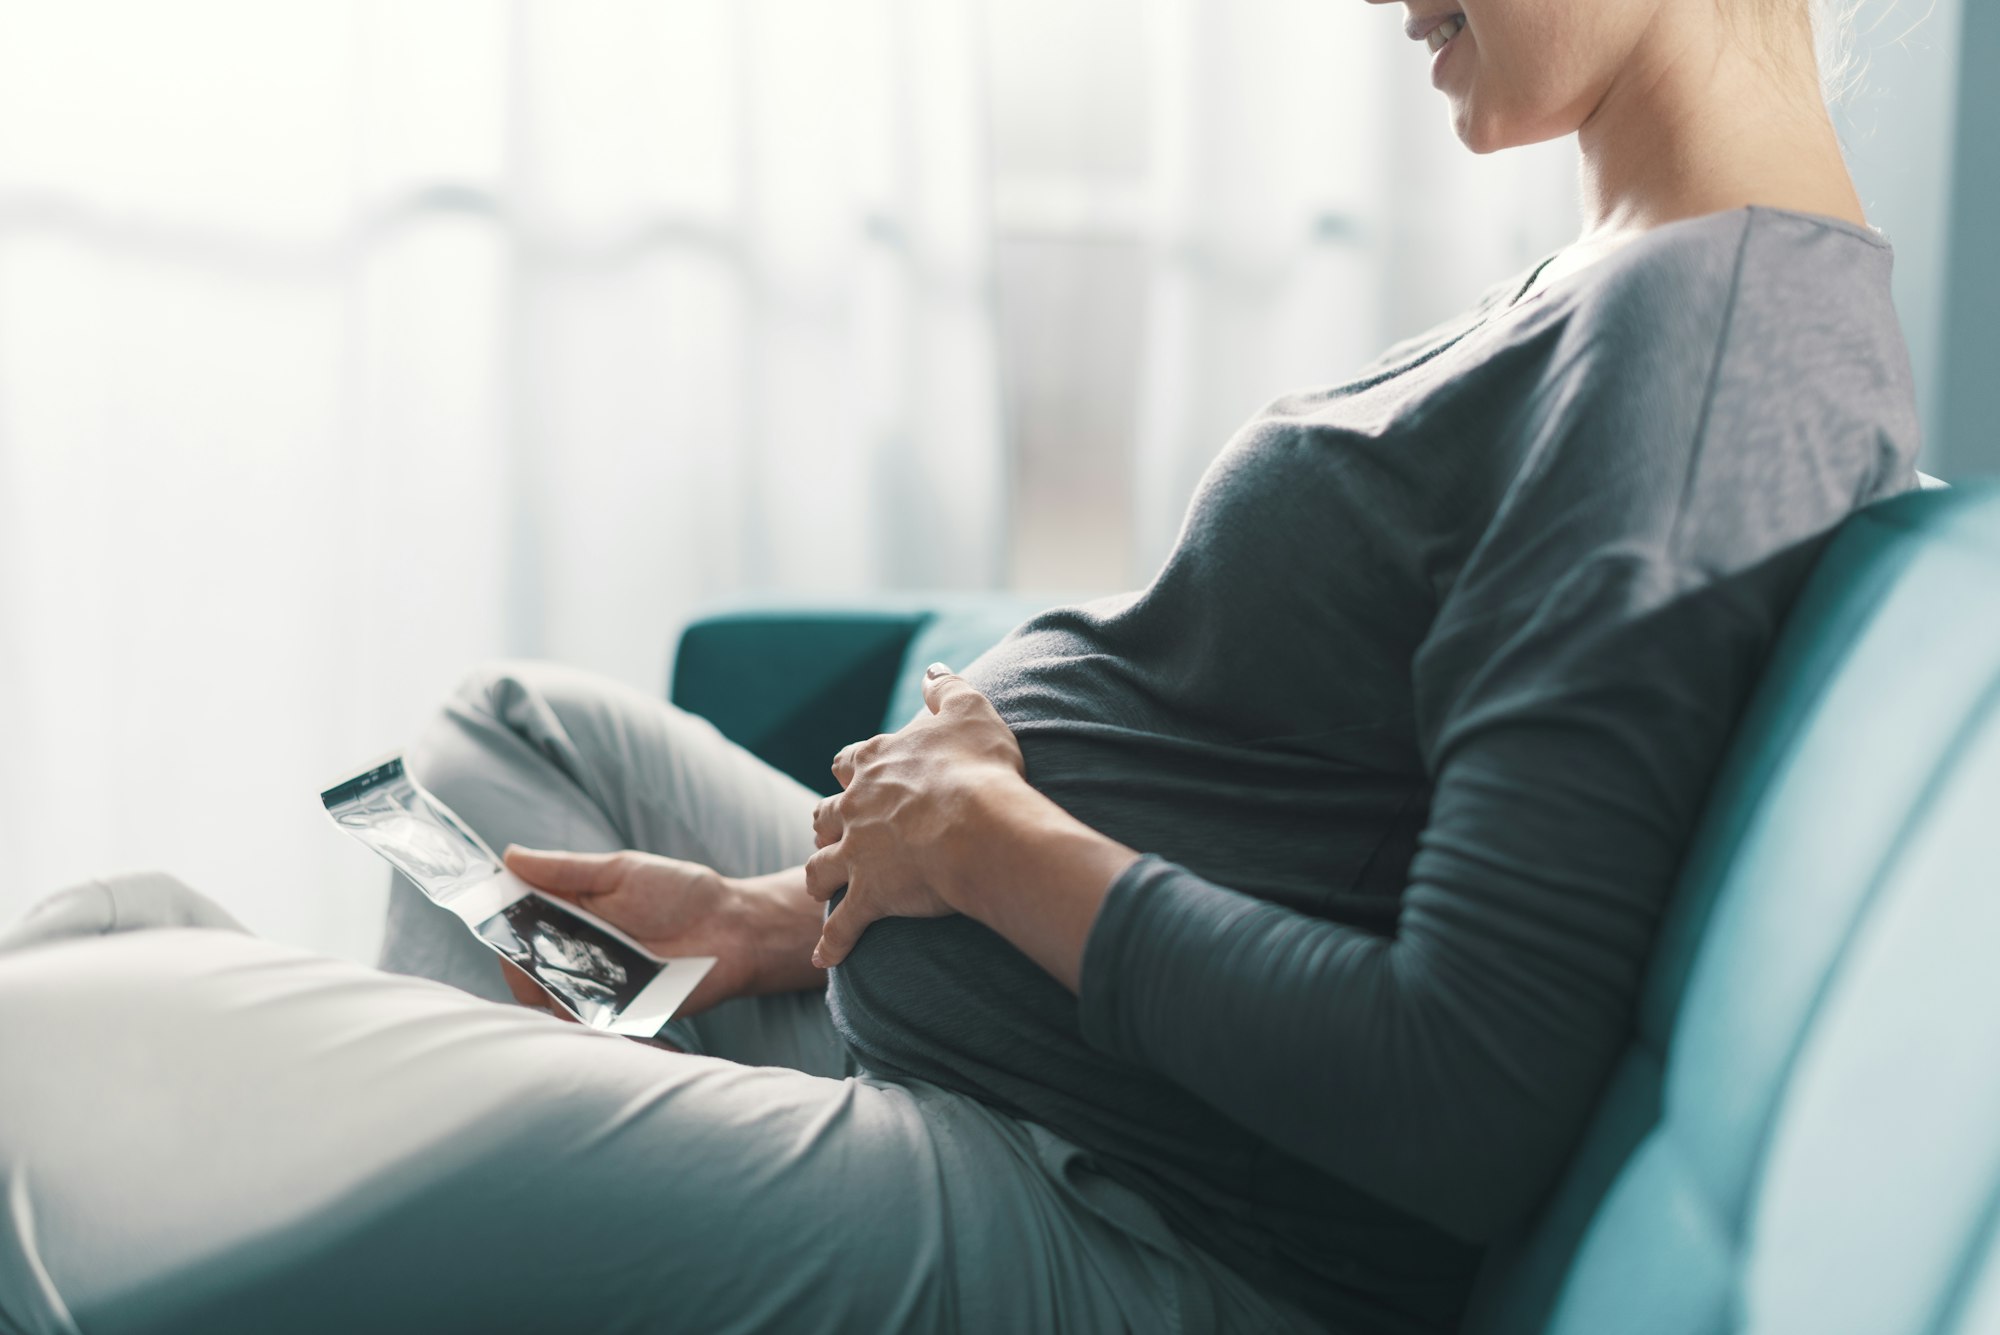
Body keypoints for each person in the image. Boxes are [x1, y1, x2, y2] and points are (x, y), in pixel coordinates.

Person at [0, 0, 1919, 1330]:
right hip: (981, 1038)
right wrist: (792, 909)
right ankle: (464, 1163)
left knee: (47, 1070)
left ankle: (378, 1148)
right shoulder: (1633, 268)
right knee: (506, 745)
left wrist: (988, 851)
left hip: (1126, 1220)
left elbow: (1460, 1089)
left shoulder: (1705, 351)